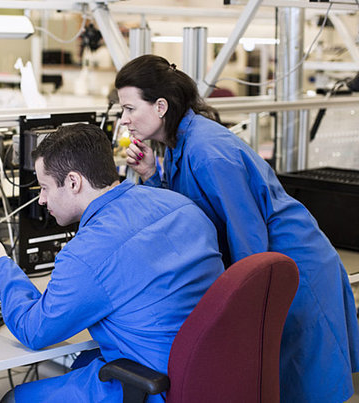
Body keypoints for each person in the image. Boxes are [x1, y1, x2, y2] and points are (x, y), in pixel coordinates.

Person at [115, 54, 359, 403]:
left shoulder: (208, 151)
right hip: (271, 260)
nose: (124, 121)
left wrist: (241, 305)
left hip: (293, 265)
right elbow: (191, 215)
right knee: (278, 379)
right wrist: (154, 176)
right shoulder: (178, 145)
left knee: (304, 384)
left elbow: (249, 238)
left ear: (160, 106)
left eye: (128, 109)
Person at [0, 123, 224, 402]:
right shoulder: (182, 206)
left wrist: (0, 263)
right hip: (210, 373)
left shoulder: (86, 255)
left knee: (14, 397)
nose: (42, 199)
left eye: (45, 187)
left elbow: (33, 331)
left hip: (158, 386)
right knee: (83, 362)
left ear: (73, 182)